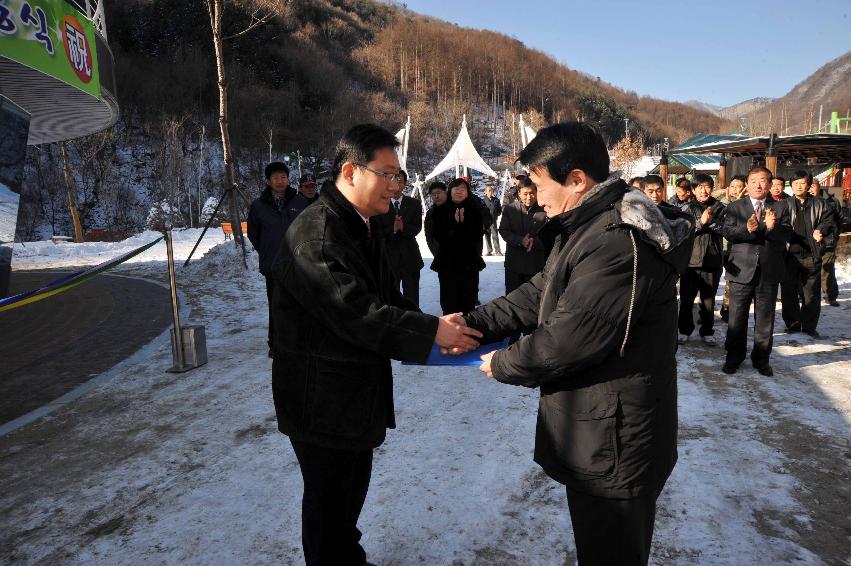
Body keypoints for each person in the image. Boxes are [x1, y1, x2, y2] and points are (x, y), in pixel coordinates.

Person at [465, 122, 693, 566]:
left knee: (611, 553)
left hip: (616, 436)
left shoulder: (616, 240)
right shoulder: (585, 225)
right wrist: (475, 323)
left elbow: (569, 340)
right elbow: (540, 292)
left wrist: (504, 363)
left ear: (575, 179)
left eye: (537, 182)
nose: (534, 194)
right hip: (597, 426)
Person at [270, 124, 482, 566]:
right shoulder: (318, 235)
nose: (395, 185)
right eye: (386, 174)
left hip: (350, 390)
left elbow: (385, 295)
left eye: (399, 176)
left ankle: (348, 555)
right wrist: (430, 335)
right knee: (329, 502)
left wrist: (432, 326)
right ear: (350, 171)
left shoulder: (361, 226)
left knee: (348, 494)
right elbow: (356, 313)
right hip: (320, 397)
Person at [722, 166, 793, 376]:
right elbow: (728, 232)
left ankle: (761, 359)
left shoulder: (781, 207)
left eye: (763, 181)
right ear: (747, 184)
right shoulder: (736, 207)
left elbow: (788, 234)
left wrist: (773, 228)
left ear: (770, 185)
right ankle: (734, 357)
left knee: (765, 319)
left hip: (769, 271)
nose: (758, 185)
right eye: (753, 181)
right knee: (737, 318)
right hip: (741, 270)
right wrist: (748, 229)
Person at [247, 162, 302, 357]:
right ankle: (276, 344)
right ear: (268, 181)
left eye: (284, 177)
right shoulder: (258, 205)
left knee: (299, 303)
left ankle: (299, 342)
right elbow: (253, 233)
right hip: (273, 265)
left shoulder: (298, 201)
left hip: (299, 263)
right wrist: (266, 250)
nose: (281, 181)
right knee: (276, 304)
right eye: (276, 177)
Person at [780, 171, 836, 336]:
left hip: (811, 254)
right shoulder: (784, 204)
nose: (798, 186)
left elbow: (830, 223)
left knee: (811, 292)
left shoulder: (821, 204)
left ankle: (809, 326)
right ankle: (792, 324)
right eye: (795, 182)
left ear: (809, 185)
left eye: (802, 183)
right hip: (789, 254)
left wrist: (820, 231)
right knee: (788, 291)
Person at [678, 173, 726, 346]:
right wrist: (701, 222)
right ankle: (684, 330)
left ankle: (707, 331)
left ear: (712, 189)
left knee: (708, 300)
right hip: (691, 261)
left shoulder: (720, 207)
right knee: (686, 299)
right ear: (693, 190)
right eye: (699, 187)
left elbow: (727, 229)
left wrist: (710, 223)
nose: (703, 191)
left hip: (712, 261)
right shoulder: (686, 208)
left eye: (707, 187)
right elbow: (683, 230)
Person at [431, 177, 485, 314]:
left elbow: (477, 235)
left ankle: (468, 328)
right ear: (450, 191)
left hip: (469, 263)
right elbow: (439, 236)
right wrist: (454, 223)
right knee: (449, 300)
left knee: (469, 299)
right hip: (447, 263)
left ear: (468, 192)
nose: (459, 191)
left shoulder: (474, 209)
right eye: (456, 188)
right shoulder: (439, 210)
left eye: (463, 189)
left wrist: (463, 224)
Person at [371, 170, 424, 306]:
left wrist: (403, 228)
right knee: (390, 297)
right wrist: (393, 229)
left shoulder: (414, 204)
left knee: (412, 297)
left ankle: (414, 323)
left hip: (410, 258)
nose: (396, 184)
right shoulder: (378, 204)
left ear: (405, 184)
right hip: (388, 258)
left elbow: (417, 228)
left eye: (399, 181)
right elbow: (375, 233)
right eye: (392, 180)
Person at [499, 177, 547, 295]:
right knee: (512, 299)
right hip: (514, 264)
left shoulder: (545, 210)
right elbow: (504, 230)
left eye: (532, 193)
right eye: (525, 194)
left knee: (534, 301)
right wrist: (520, 240)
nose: (529, 197)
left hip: (536, 265)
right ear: (519, 193)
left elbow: (550, 234)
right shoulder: (510, 209)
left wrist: (534, 242)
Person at [719, 174, 749, 321]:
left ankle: (727, 310)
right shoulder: (722, 202)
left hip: (736, 249)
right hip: (721, 248)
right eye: (733, 186)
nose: (736, 190)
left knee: (732, 281)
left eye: (739, 187)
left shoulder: (747, 205)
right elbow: (720, 216)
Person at [810, 178, 842, 307]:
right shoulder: (803, 200)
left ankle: (831, 296)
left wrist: (834, 235)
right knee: (808, 269)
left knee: (827, 269)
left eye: (813, 186)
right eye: (809, 186)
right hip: (808, 242)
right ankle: (805, 295)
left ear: (819, 186)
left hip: (827, 241)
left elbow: (839, 220)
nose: (810, 189)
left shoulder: (832, 201)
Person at [424, 181, 447, 257]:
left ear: (445, 193)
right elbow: (429, 236)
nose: (436, 196)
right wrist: (435, 252)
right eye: (433, 194)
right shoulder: (430, 213)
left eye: (439, 193)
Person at [482, 184, 503, 256]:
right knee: (487, 236)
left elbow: (499, 210)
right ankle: (489, 251)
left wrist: (496, 215)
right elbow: (480, 210)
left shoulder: (496, 200)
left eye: (491, 190)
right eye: (489, 191)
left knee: (495, 236)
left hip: (493, 221)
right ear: (486, 192)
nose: (490, 192)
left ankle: (498, 251)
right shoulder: (483, 201)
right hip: (486, 222)